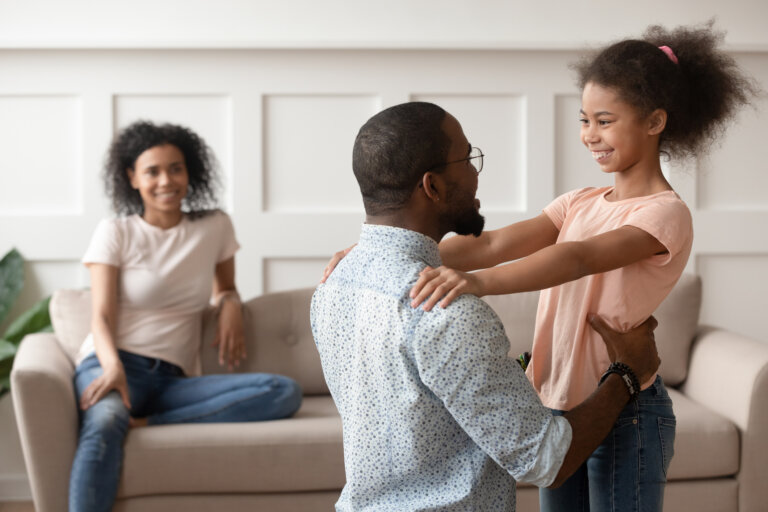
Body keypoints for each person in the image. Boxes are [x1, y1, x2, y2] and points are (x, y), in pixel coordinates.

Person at [385, 23, 756, 512]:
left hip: (627, 412)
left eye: (604, 121)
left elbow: (577, 259)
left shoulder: (664, 213)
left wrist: (477, 283)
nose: (589, 135)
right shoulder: (579, 201)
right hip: (556, 408)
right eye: (584, 120)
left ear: (654, 122)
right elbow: (493, 242)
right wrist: (391, 248)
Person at [311, 101, 661, 511]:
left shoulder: (337, 280)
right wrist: (626, 373)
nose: (475, 172)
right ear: (433, 186)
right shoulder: (447, 311)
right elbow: (547, 460)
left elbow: (495, 247)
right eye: (467, 158)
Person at [70, 121, 302, 512]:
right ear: (132, 178)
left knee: (282, 392)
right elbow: (101, 318)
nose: (167, 180)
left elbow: (226, 287)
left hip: (171, 379)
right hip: (112, 363)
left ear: (190, 172)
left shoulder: (213, 226)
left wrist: (229, 304)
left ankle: (148, 423)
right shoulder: (115, 231)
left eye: (176, 168)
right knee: (105, 423)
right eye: (153, 171)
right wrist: (112, 368)